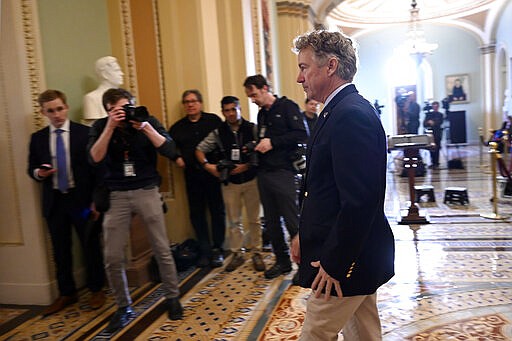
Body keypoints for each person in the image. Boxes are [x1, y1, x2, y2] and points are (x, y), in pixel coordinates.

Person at [292, 30, 395, 340]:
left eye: (304, 67)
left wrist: (335, 263)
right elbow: (325, 189)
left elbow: (360, 200)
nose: (300, 78)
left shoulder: (351, 115)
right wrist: (303, 235)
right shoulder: (338, 110)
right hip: (354, 251)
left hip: (345, 259)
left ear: (331, 66)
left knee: (315, 334)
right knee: (363, 333)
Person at [88, 88, 183, 333]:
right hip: (116, 194)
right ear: (108, 111)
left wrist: (145, 127)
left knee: (161, 248)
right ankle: (123, 306)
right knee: (112, 256)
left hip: (147, 189)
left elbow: (170, 150)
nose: (124, 112)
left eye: (127, 106)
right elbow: (94, 158)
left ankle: (172, 297)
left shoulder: (145, 119)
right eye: (116, 110)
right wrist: (110, 127)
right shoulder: (100, 127)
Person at [27, 90, 106, 316]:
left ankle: (96, 289)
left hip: (81, 200)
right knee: (60, 250)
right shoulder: (38, 138)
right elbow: (31, 168)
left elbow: (97, 170)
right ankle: (66, 293)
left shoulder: (85, 134)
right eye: (51, 111)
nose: (57, 114)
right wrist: (39, 174)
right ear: (43, 112)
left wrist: (95, 202)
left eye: (59, 109)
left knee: (89, 245)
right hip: (55, 202)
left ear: (66, 107)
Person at [243, 74, 307, 280]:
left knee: (292, 221)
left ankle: (304, 266)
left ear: (264, 88)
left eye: (253, 94)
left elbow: (301, 134)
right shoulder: (262, 114)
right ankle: (282, 261)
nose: (252, 99)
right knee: (271, 222)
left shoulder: (287, 107)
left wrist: (273, 142)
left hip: (283, 172)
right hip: (264, 173)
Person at [195, 96, 265, 272]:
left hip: (251, 180)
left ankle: (257, 252)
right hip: (230, 182)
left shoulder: (252, 129)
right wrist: (208, 166)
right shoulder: (218, 132)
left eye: (234, 109)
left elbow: (261, 152)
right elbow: (199, 149)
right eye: (227, 110)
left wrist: (247, 165)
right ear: (223, 112)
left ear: (240, 108)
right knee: (234, 221)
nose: (231, 113)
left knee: (254, 220)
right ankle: (237, 254)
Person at [168, 90, 226, 268]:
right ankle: (204, 250)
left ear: (200, 103)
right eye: (186, 102)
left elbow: (225, 141)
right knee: (197, 214)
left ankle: (217, 249)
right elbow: (168, 146)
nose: (190, 104)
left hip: (212, 174)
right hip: (191, 176)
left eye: (193, 101)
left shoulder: (213, 121)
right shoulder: (177, 128)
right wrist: (176, 158)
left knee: (217, 211)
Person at [83, 56, 124, 124]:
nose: (122, 74)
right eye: (117, 70)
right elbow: (92, 128)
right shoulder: (92, 98)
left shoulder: (125, 97)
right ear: (104, 74)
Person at [423, 101, 444, 169]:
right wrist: (428, 122)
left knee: (437, 148)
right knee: (431, 148)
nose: (435, 107)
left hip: (437, 133)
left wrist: (433, 122)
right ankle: (432, 162)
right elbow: (424, 124)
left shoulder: (440, 114)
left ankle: (436, 163)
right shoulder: (428, 114)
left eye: (436, 106)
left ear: (438, 107)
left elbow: (439, 122)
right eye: (434, 106)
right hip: (430, 134)